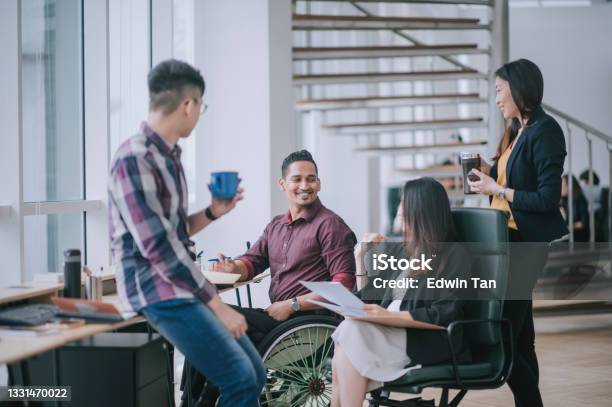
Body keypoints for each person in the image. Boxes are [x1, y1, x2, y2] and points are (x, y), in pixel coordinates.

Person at [108, 59, 266, 407]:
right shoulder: (133, 159)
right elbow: (159, 248)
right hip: (156, 290)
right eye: (201, 106)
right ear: (189, 104)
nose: (198, 114)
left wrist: (213, 212)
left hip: (179, 285)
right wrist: (217, 305)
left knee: (254, 374)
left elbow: (174, 230)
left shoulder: (169, 157)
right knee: (240, 378)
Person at [183, 149, 358, 405]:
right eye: (297, 179)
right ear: (282, 184)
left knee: (211, 315)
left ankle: (199, 402)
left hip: (306, 324)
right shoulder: (276, 225)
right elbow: (252, 262)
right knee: (204, 321)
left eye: (311, 179)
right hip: (275, 319)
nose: (304, 185)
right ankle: (193, 400)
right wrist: (234, 267)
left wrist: (292, 305)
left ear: (318, 183)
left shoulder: (330, 225)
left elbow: (343, 286)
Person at [467, 58, 568, 407]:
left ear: (518, 88)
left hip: (523, 245)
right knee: (521, 338)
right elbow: (507, 179)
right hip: (504, 242)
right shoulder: (517, 130)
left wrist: (497, 189)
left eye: (498, 90)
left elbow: (546, 198)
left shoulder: (546, 130)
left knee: (503, 335)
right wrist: (487, 173)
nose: (496, 98)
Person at [331, 178, 472, 407]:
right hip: (387, 331)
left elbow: (445, 314)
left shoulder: (454, 255)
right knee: (348, 331)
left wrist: (385, 316)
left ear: (420, 210)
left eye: (403, 203)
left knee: (349, 337)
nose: (398, 210)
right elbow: (369, 298)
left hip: (424, 339)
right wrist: (360, 258)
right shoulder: (404, 252)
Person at [561, 174, 590, 241]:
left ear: (570, 186)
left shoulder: (580, 199)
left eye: (564, 185)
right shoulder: (563, 201)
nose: (561, 188)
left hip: (580, 233)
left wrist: (569, 226)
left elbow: (583, 223)